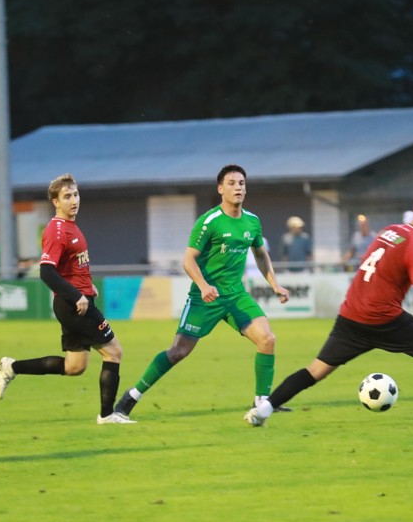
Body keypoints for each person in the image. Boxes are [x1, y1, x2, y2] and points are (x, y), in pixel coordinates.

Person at [244, 195, 413, 427]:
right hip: (383, 318)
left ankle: (264, 410)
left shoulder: (391, 231)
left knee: (316, 370)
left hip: (351, 316)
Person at [111, 164, 291, 422]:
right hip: (204, 298)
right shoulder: (209, 222)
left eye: (241, 183)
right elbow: (188, 260)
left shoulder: (252, 221)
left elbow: (261, 254)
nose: (238, 187)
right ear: (220, 189)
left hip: (236, 295)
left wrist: (275, 284)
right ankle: (130, 398)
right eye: (231, 183)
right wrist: (204, 286)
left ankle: (262, 403)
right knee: (178, 352)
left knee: (267, 339)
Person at [0, 174, 124, 425]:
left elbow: (73, 268)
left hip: (78, 301)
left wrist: (88, 289)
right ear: (56, 201)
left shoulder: (71, 226)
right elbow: (46, 271)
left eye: (75, 194)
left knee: (75, 366)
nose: (74, 200)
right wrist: (77, 295)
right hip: (74, 305)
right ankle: (107, 416)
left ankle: (12, 366)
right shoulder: (56, 230)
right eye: (67, 196)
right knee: (114, 352)